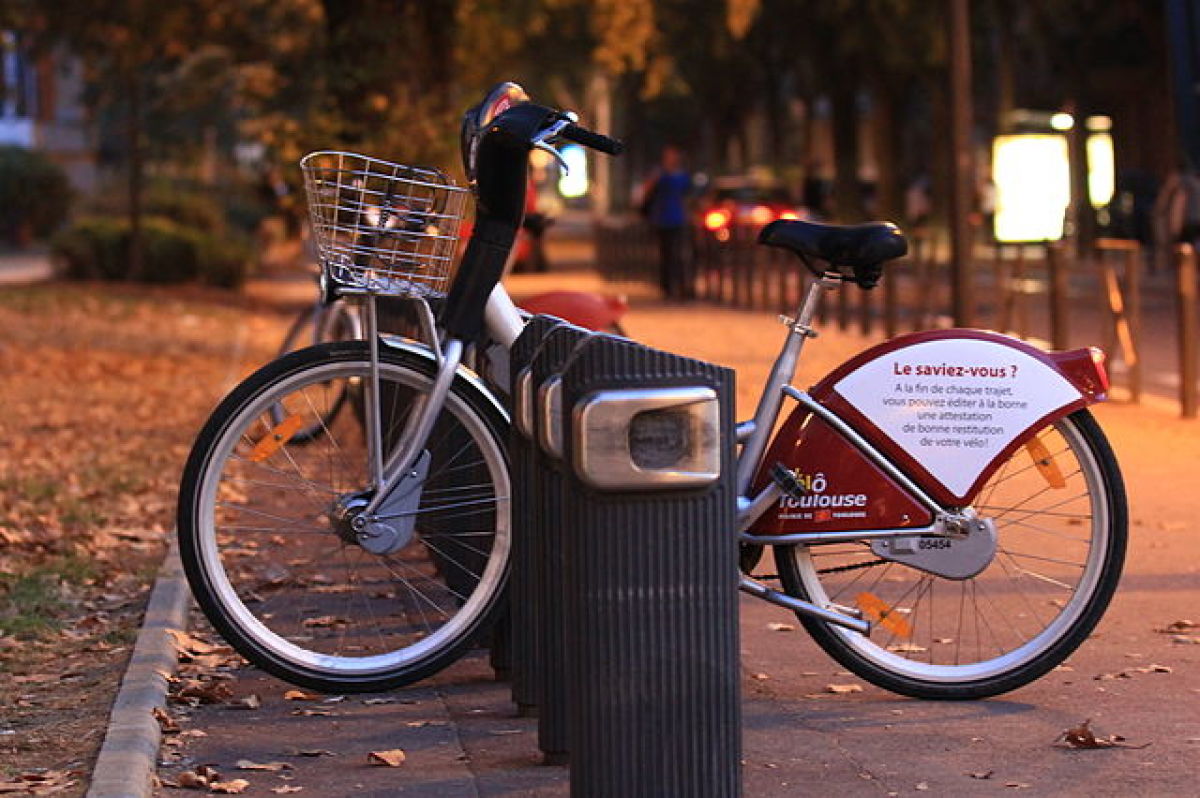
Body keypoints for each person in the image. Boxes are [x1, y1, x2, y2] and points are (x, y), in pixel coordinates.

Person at [640, 145, 693, 299]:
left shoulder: (682, 176)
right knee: (666, 254)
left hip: (678, 219)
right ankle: (668, 287)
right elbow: (647, 191)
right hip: (662, 219)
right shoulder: (660, 175)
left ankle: (681, 287)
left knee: (680, 254)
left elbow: (689, 196)